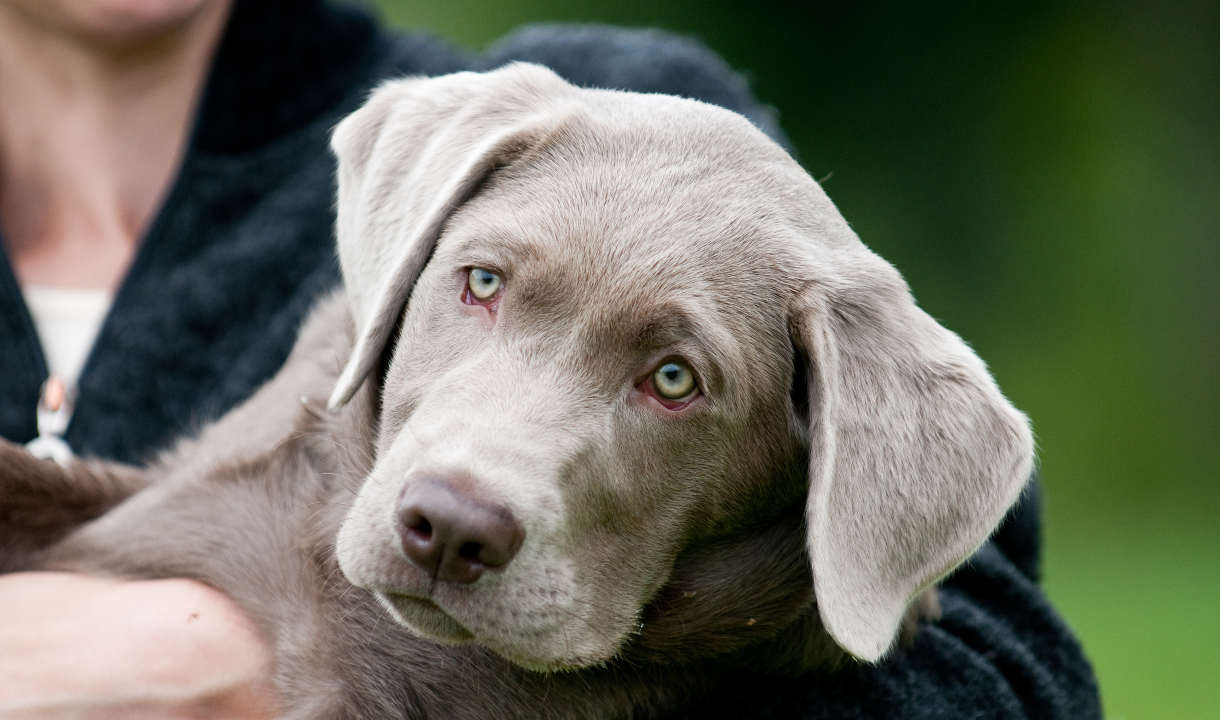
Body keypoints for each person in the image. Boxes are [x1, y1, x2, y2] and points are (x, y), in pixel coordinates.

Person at [0, 0, 1101, 717]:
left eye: (674, 378)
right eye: (482, 286)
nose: (466, 496)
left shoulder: (629, 129)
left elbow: (1003, 679)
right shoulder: (449, 173)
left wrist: (208, 668)